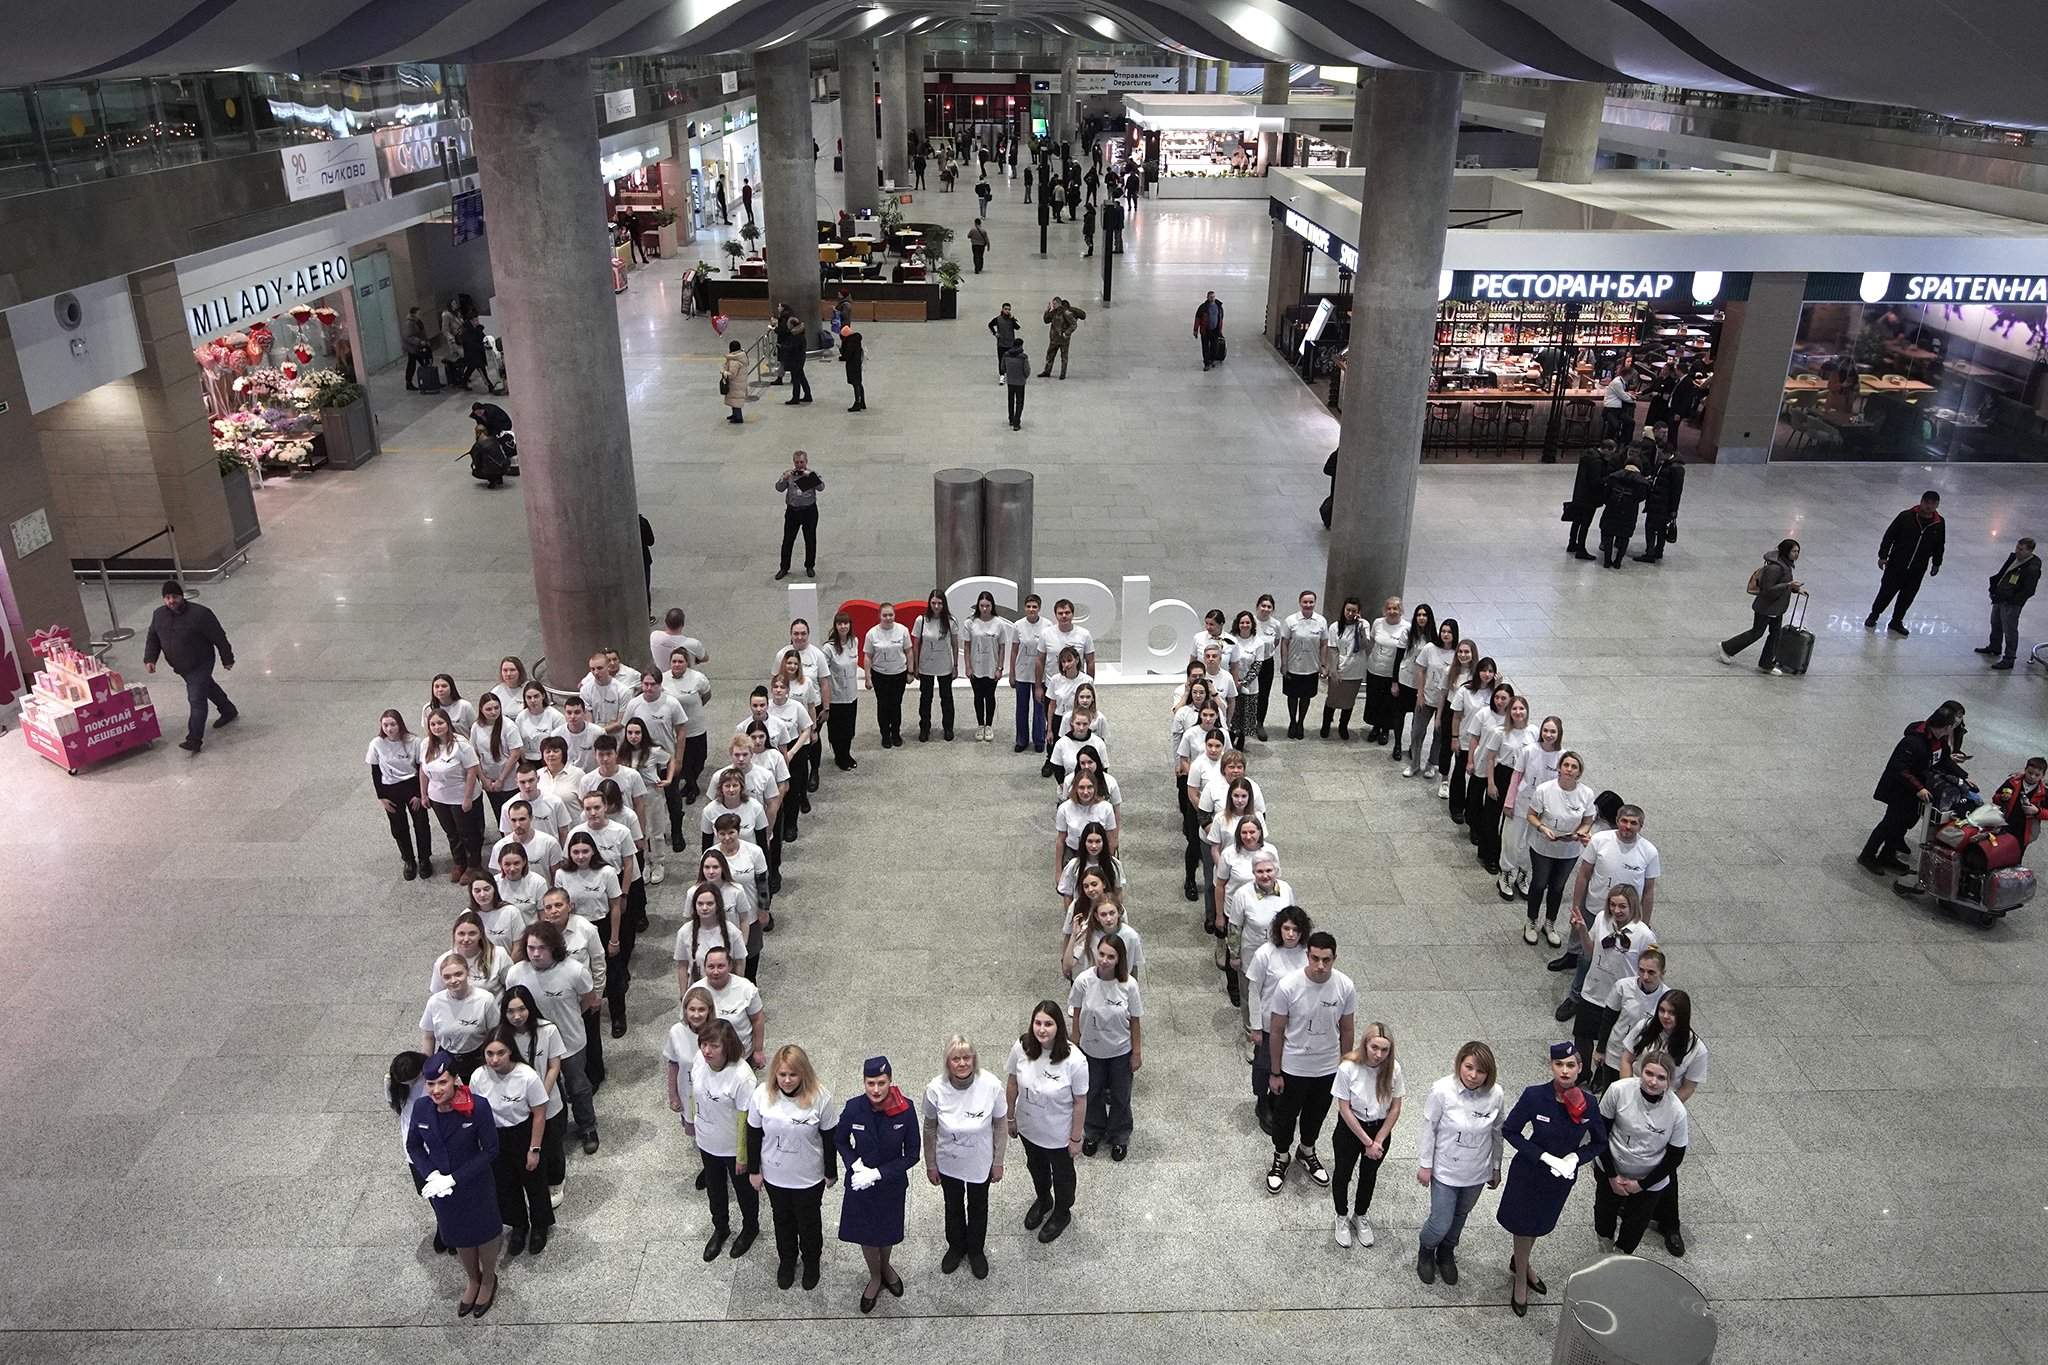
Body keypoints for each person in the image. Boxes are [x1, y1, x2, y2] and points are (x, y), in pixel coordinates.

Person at [1496, 1042, 1606, 1314]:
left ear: (1581, 1068)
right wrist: (1542, 1156)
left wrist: (1575, 1158)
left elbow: (1599, 1143)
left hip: (1559, 1178)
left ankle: (1521, 1262)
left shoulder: (1589, 1103)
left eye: (1571, 1065)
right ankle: (1521, 1276)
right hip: (1529, 1173)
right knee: (1522, 1226)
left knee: (1538, 1226)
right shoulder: (1535, 1096)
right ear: (1551, 1066)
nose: (1565, 1071)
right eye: (1559, 1064)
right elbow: (1511, 1131)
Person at [406, 1052, 503, 1317]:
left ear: (455, 1081)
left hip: (474, 1184)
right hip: (442, 1189)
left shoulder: (477, 1106)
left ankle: (489, 1278)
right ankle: (473, 1278)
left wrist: (455, 1178)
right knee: (458, 1234)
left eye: (442, 1082)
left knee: (484, 1234)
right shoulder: (422, 1108)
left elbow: (491, 1150)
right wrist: (432, 1175)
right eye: (431, 1084)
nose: (436, 1089)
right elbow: (413, 1145)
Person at [1264, 930, 1355, 1195]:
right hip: (1293, 1068)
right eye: (1315, 958)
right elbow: (1277, 1030)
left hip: (1326, 1068)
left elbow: (1347, 1029)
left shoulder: (1344, 986)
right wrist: (1275, 1071)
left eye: (1326, 960)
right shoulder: (1288, 986)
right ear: (1307, 955)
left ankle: (1306, 1151)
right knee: (1284, 1117)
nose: (1320, 966)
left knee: (1316, 1116)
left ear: (1334, 958)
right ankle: (1281, 1157)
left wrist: (1345, 1067)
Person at [505, 921, 600, 1155]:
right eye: (530, 948)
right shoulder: (516, 973)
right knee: (543, 1087)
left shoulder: (574, 970)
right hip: (535, 1044)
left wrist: (571, 1015)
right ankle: (554, 1128)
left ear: (554, 948)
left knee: (577, 1086)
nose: (535, 953)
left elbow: (588, 999)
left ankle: (587, 1126)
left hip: (570, 1041)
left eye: (542, 948)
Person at [748, 1043, 837, 1290]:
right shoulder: (761, 1095)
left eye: (793, 1074)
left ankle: (811, 1262)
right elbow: (753, 1134)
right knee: (782, 1220)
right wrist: (754, 1170)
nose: (787, 1080)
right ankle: (787, 1261)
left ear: (803, 1074)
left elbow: (830, 1138)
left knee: (809, 1223)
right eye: (782, 1074)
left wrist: (831, 1172)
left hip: (809, 1178)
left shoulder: (821, 1097)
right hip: (775, 1176)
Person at [1414, 1041, 1504, 1287]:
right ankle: (1426, 1249)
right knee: (1441, 1219)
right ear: (1460, 1063)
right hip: (1445, 1169)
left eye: (1480, 1071)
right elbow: (1429, 1128)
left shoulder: (1496, 1094)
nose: (1473, 1076)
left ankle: (1446, 1252)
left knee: (1461, 1215)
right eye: (1469, 1067)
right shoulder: (1442, 1090)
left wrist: (1496, 1167)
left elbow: (1497, 1132)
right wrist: (1425, 1164)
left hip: (1476, 1171)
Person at [837, 1055, 922, 1313]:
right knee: (866, 1235)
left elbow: (912, 1154)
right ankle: (875, 1276)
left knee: (887, 1232)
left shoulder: (905, 1110)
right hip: (861, 1186)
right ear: (863, 1082)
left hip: (890, 1185)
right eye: (870, 1083)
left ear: (890, 1081)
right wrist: (855, 1165)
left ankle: (885, 1266)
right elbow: (840, 1141)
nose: (876, 1089)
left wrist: (879, 1174)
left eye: (881, 1083)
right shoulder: (853, 1108)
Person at [923, 1035, 1007, 1279]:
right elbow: (929, 1128)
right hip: (949, 1161)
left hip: (980, 1161)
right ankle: (956, 1246)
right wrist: (931, 1164)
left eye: (966, 1057)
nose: (962, 1063)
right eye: (955, 1058)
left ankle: (976, 1251)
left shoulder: (991, 1085)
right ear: (948, 1062)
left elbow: (1000, 1125)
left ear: (974, 1059)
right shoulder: (935, 1089)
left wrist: (998, 1161)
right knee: (953, 1205)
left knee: (979, 1206)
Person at [1006, 1001, 1087, 1245]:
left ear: (1058, 1026)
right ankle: (1044, 1200)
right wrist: (1010, 1116)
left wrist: (1075, 1138)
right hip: (1029, 1128)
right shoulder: (1021, 1048)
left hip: (1058, 1135)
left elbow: (1080, 1102)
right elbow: (1011, 1083)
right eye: (1038, 1023)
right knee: (1036, 1167)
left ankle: (1062, 1212)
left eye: (1048, 1024)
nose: (1042, 1029)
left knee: (1062, 1176)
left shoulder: (1075, 1060)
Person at [1594, 1051, 1691, 1253]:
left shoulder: (1676, 1111)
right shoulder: (1618, 1090)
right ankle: (1604, 1248)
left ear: (1670, 1080)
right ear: (1640, 1071)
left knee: (1635, 1224)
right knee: (1604, 1213)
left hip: (1649, 1181)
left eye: (1661, 1077)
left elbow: (1675, 1157)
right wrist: (1612, 1176)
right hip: (1611, 1168)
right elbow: (1599, 1134)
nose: (1653, 1082)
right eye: (1649, 1073)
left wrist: (1641, 1185)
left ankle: (1622, 1256)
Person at [470, 1032, 553, 1258]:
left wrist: (534, 1149)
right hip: (494, 1136)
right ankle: (519, 1226)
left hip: (523, 1133)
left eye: (500, 1053)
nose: (494, 1059)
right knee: (505, 1185)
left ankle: (539, 1225)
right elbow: (476, 1110)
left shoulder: (526, 1076)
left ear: (511, 1052)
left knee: (534, 1183)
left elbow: (539, 1113)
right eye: (489, 1053)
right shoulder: (479, 1076)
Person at [685, 1019, 759, 1261]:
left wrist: (742, 1154)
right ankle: (721, 1227)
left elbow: (746, 1119)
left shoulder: (741, 1076)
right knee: (715, 1190)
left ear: (727, 1046)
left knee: (744, 1191)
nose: (706, 1051)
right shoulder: (700, 1061)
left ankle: (750, 1227)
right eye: (704, 1044)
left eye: (713, 1046)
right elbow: (694, 1092)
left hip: (732, 1146)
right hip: (707, 1142)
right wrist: (693, 1123)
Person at [1858, 707, 1961, 874]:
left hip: (1917, 792)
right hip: (1901, 791)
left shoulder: (1938, 740)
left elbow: (1943, 761)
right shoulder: (1913, 742)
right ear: (1947, 727)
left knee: (1902, 826)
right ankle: (1868, 855)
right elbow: (1899, 768)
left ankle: (1887, 855)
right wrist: (1919, 788)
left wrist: (1963, 777)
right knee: (1889, 824)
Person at [1330, 1021, 1403, 1249]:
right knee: (1343, 1174)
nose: (1379, 1054)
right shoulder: (1348, 1068)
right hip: (1351, 1129)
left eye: (1384, 1050)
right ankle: (1341, 1216)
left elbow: (1395, 1107)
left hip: (1379, 1130)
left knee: (1369, 1175)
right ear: (1365, 1044)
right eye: (1374, 1048)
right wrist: (1367, 1142)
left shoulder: (1394, 1070)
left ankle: (1360, 1215)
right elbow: (1344, 1108)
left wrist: (1379, 1140)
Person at [1069, 934, 1142, 1161]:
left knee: (1121, 1096)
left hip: (1120, 1051)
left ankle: (1119, 1136)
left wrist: (1136, 1052)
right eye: (1101, 954)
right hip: (1091, 1051)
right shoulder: (1084, 981)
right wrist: (1075, 1043)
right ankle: (1093, 1131)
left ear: (1119, 959)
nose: (1104, 960)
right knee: (1092, 1092)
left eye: (1111, 956)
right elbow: (1077, 1012)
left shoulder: (1128, 985)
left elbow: (1136, 1020)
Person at [143, 580, 237, 753]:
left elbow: (219, 637)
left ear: (182, 596)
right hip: (181, 666)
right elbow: (153, 637)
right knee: (207, 687)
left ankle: (194, 739)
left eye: (175, 597)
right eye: (167, 597)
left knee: (196, 699)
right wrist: (150, 659)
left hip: (200, 662)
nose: (171, 601)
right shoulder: (159, 615)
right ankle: (228, 710)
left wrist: (227, 658)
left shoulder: (200, 614)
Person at [1867, 490, 1946, 636]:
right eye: (1926, 502)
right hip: (1897, 564)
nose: (1929, 506)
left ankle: (1897, 620)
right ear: (1921, 501)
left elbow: (1939, 545)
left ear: (1937, 505)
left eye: (1932, 504)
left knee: (1907, 596)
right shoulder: (1906, 516)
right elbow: (1889, 535)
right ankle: (1874, 614)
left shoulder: (1939, 524)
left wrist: (1936, 563)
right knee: (1886, 592)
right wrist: (1883, 555)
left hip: (1917, 568)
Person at [1718, 538, 1803, 674]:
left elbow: (1783, 584)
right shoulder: (1775, 568)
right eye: (1794, 551)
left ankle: (1766, 663)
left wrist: (1795, 589)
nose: (1796, 554)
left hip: (1776, 608)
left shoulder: (1786, 565)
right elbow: (1767, 590)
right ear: (1786, 551)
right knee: (1756, 633)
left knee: (1775, 634)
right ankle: (1726, 648)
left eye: (1798, 551)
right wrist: (1788, 585)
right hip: (1766, 608)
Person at [368, 710, 434, 878]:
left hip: (412, 786)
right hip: (390, 789)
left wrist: (420, 794)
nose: (389, 729)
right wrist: (381, 797)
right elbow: (375, 771)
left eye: (393, 724)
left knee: (421, 824)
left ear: (400, 724)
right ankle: (409, 860)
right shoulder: (377, 743)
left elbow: (421, 768)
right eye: (386, 725)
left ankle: (425, 859)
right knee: (398, 828)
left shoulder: (414, 741)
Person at [1979, 535, 2040, 669]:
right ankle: (1994, 647)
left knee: (2010, 629)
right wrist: (1994, 588)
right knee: (1995, 622)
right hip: (2000, 597)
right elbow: (2003, 573)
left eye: (2021, 549)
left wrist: (2013, 601)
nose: (2018, 551)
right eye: (2017, 548)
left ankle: (2009, 658)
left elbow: (2029, 590)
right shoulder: (2014, 558)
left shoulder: (2032, 568)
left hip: (2011, 603)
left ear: (2030, 551)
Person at [910, 589, 960, 742]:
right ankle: (925, 728)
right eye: (933, 603)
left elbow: (955, 645)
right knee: (926, 698)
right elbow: (916, 645)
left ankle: (948, 728)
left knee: (946, 698)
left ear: (944, 604)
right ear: (929, 603)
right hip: (926, 666)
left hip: (944, 665)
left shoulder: (951, 621)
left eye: (939, 603)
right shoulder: (921, 620)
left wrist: (955, 665)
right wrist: (916, 666)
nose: (936, 606)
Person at [962, 590, 1012, 743]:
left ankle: (989, 725)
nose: (984, 608)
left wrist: (999, 668)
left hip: (991, 667)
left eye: (987, 605)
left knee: (989, 696)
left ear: (992, 606)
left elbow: (1002, 647)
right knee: (978, 696)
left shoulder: (999, 623)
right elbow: (967, 646)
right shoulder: (970, 623)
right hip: (976, 667)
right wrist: (968, 666)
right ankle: (980, 725)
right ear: (978, 606)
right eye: (982, 605)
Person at [1279, 590, 1326, 739]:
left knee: (1306, 697)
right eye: (1305, 602)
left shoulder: (1321, 621)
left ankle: (1301, 723)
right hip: (1293, 666)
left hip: (1311, 666)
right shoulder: (1290, 620)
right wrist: (1284, 664)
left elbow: (1324, 644)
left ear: (1314, 603)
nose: (1308, 605)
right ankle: (1292, 722)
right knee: (1292, 696)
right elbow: (1284, 643)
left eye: (1311, 602)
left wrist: (1323, 664)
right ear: (1300, 603)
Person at [773, 450, 822, 582]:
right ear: (793, 462)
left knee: (810, 539)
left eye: (802, 462)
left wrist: (810, 477)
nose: (799, 465)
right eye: (797, 462)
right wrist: (784, 478)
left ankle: (810, 566)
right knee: (787, 540)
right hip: (793, 512)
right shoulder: (789, 474)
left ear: (806, 462)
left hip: (809, 511)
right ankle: (784, 567)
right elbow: (779, 488)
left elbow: (821, 487)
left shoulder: (812, 475)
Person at [1598, 457, 1652, 569]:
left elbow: (1605, 493)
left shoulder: (1614, 476)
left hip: (1612, 508)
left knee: (1608, 534)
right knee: (1624, 536)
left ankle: (1607, 561)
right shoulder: (1642, 482)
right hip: (1629, 511)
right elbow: (1642, 497)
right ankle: (1618, 562)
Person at [1635, 446, 1685, 563]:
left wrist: (1674, 509)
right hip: (1656, 502)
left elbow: (1676, 491)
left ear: (1668, 453)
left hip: (1662, 504)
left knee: (1652, 528)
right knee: (1659, 529)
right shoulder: (1663, 464)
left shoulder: (1676, 468)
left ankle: (1651, 553)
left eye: (1661, 453)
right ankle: (1657, 551)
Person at [1565, 440, 1612, 561]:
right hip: (1590, 498)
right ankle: (1581, 549)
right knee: (1585, 523)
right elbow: (1595, 482)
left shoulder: (1587, 455)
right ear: (1606, 449)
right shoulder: (1597, 461)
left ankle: (1572, 543)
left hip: (1579, 494)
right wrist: (1608, 478)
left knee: (1576, 521)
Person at [1041, 296, 1086, 380]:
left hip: (1063, 340)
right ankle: (1047, 371)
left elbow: (1074, 324)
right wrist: (1047, 311)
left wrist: (1067, 333)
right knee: (1050, 355)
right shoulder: (1054, 312)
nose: (1053, 306)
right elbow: (1046, 320)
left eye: (1054, 304)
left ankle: (1062, 374)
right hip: (1054, 339)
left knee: (1064, 357)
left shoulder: (1066, 313)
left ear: (1059, 303)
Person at [988, 302, 1020, 382]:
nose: (1007, 311)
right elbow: (990, 324)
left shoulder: (1011, 319)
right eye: (1005, 309)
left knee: (1011, 360)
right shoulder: (998, 319)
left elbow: (1017, 327)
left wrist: (1013, 319)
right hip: (1001, 344)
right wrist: (995, 333)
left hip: (1011, 343)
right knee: (1001, 360)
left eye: (1009, 309)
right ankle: (1002, 375)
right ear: (1002, 309)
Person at [1003, 341, 1031, 430]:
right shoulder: (1023, 357)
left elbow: (1002, 368)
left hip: (1010, 381)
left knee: (1010, 400)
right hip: (1020, 382)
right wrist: (1024, 377)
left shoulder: (1006, 355)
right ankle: (1016, 422)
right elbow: (1027, 371)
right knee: (1019, 402)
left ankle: (1011, 419)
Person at [1194, 290, 1224, 369]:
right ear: (1207, 297)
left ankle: (1212, 359)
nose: (1212, 298)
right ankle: (1206, 363)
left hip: (1215, 330)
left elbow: (1220, 318)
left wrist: (1220, 330)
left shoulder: (1219, 306)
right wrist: (1195, 330)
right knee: (1205, 347)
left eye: (1213, 297)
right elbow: (1197, 319)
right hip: (1205, 331)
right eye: (1211, 297)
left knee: (1214, 346)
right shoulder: (1202, 307)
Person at [402, 306, 431, 389]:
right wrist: (419, 341)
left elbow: (422, 333)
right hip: (413, 348)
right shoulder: (409, 323)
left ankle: (428, 380)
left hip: (419, 346)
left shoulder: (418, 322)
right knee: (413, 364)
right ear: (413, 314)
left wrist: (426, 341)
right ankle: (410, 382)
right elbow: (407, 336)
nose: (420, 315)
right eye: (419, 313)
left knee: (423, 363)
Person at [720, 340, 748, 423]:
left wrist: (724, 372)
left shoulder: (734, 361)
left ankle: (738, 417)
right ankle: (735, 414)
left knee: (736, 400)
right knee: (735, 400)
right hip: (740, 382)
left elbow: (731, 374)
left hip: (735, 384)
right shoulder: (741, 357)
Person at [1601, 370, 1633, 442]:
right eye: (1631, 375)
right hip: (1610, 409)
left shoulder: (1622, 382)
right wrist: (1633, 400)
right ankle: (1608, 443)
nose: (1631, 377)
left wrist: (1629, 394)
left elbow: (1623, 393)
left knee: (1631, 422)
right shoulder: (1617, 382)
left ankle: (1625, 442)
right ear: (1627, 375)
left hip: (1618, 410)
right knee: (1615, 425)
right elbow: (1623, 396)